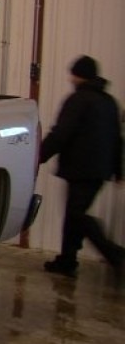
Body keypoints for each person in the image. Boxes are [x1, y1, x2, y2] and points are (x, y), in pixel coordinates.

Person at [39, 55, 124, 278]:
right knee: (73, 214)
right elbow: (117, 139)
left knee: (77, 215)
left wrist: (38, 155)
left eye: (72, 73)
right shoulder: (109, 102)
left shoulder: (78, 100)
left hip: (81, 168)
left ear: (79, 75)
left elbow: (61, 133)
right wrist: (118, 170)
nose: (70, 78)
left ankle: (116, 255)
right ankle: (67, 261)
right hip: (100, 170)